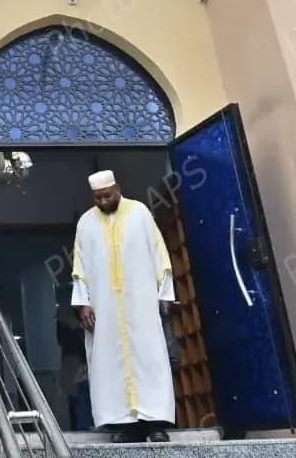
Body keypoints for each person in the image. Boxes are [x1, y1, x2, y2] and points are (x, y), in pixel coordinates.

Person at [71, 170, 175, 443]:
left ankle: (155, 425)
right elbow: (79, 267)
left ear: (118, 188)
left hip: (141, 303)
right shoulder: (85, 223)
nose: (103, 201)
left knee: (149, 359)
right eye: (97, 197)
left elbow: (159, 253)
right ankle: (124, 426)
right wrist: (83, 303)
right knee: (109, 363)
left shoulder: (140, 212)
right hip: (104, 307)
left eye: (107, 195)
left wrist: (164, 292)